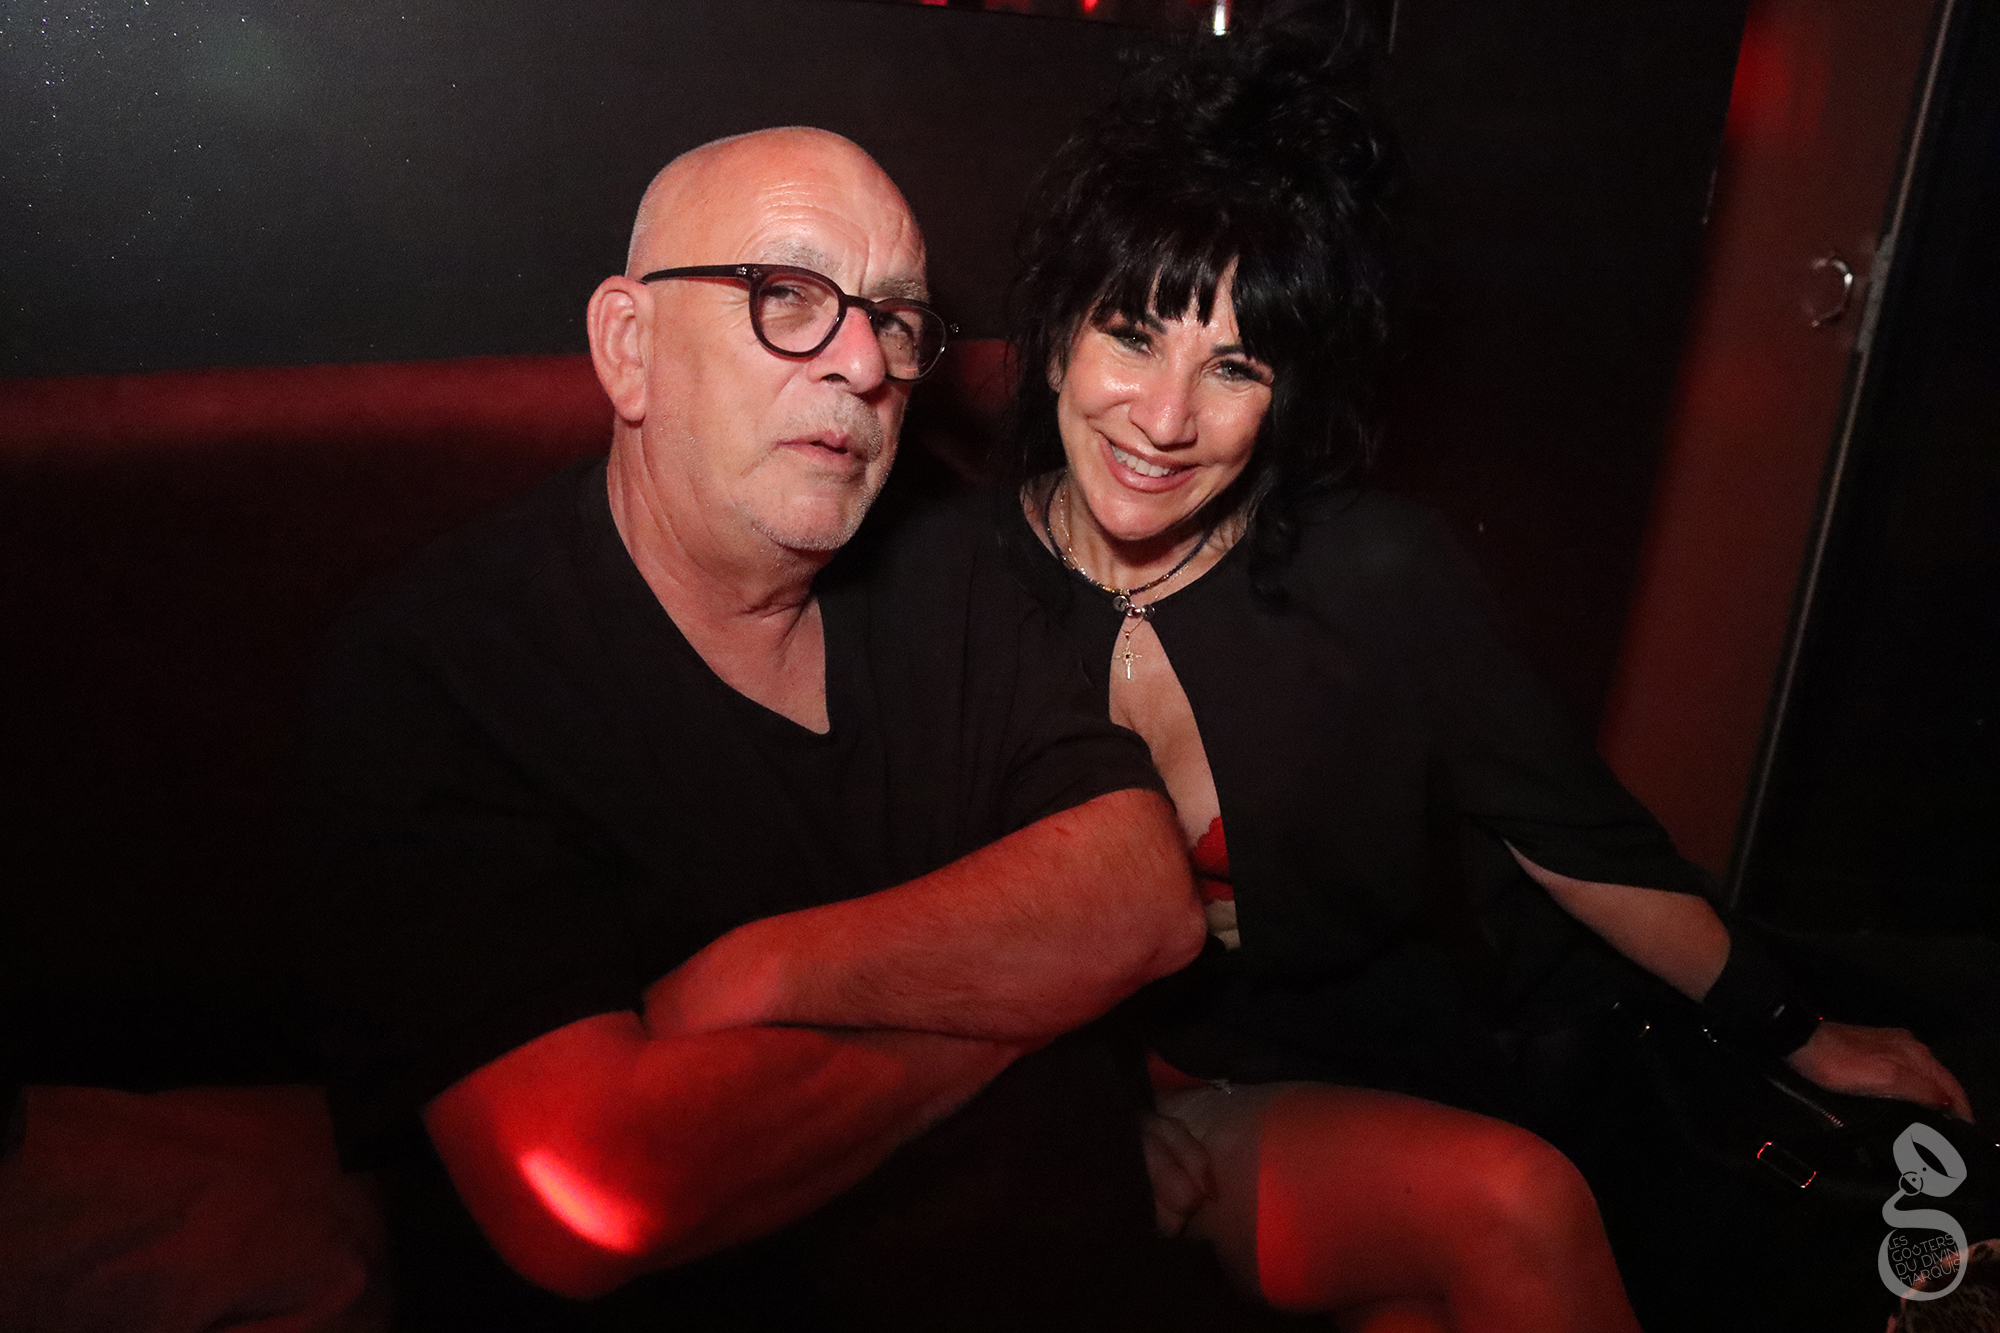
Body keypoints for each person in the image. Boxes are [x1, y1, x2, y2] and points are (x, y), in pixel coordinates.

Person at [993, 18, 1976, 1332]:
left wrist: (1796, 1030)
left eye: (1233, 365)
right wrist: (1080, 1120)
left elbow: (1575, 840)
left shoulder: (1374, 573)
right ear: (1057, 332)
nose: (1167, 421)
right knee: (1492, 1223)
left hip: (1405, 1062)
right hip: (1148, 1101)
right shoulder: (952, 587)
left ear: (1286, 392)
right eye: (1131, 337)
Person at [292, 126, 1242, 1329]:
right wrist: (1030, 1003)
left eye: (893, 317)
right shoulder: (441, 667)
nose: (862, 360)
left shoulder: (945, 556)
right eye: (784, 295)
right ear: (628, 349)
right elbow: (600, 1192)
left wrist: (767, 973)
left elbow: (1144, 896)